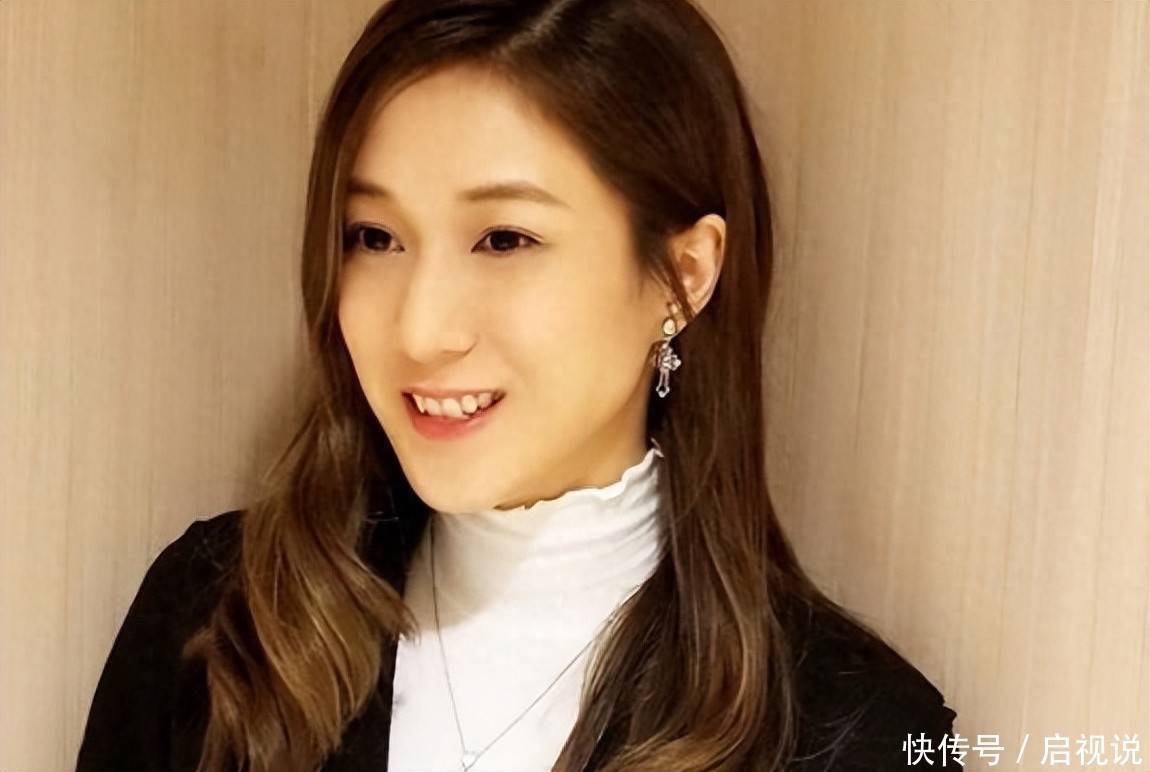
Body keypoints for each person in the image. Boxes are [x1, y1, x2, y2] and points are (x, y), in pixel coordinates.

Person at [75, 0, 959, 770]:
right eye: (374, 237)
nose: (420, 330)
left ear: (683, 276)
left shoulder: (859, 735)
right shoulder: (218, 625)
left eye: (504, 240)